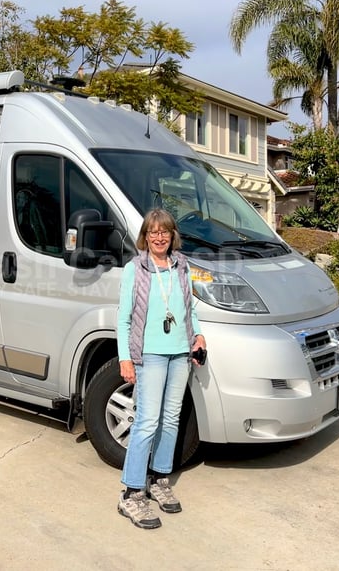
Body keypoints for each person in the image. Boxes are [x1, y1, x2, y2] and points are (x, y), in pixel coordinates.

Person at [116, 208, 207, 529]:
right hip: (150, 354)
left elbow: (188, 307)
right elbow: (123, 318)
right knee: (147, 420)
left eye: (164, 231)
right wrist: (124, 357)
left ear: (171, 236)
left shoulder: (182, 266)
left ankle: (158, 479)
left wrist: (197, 335)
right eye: (153, 232)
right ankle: (131, 493)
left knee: (171, 418)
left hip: (180, 352)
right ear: (145, 236)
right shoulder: (135, 269)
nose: (159, 237)